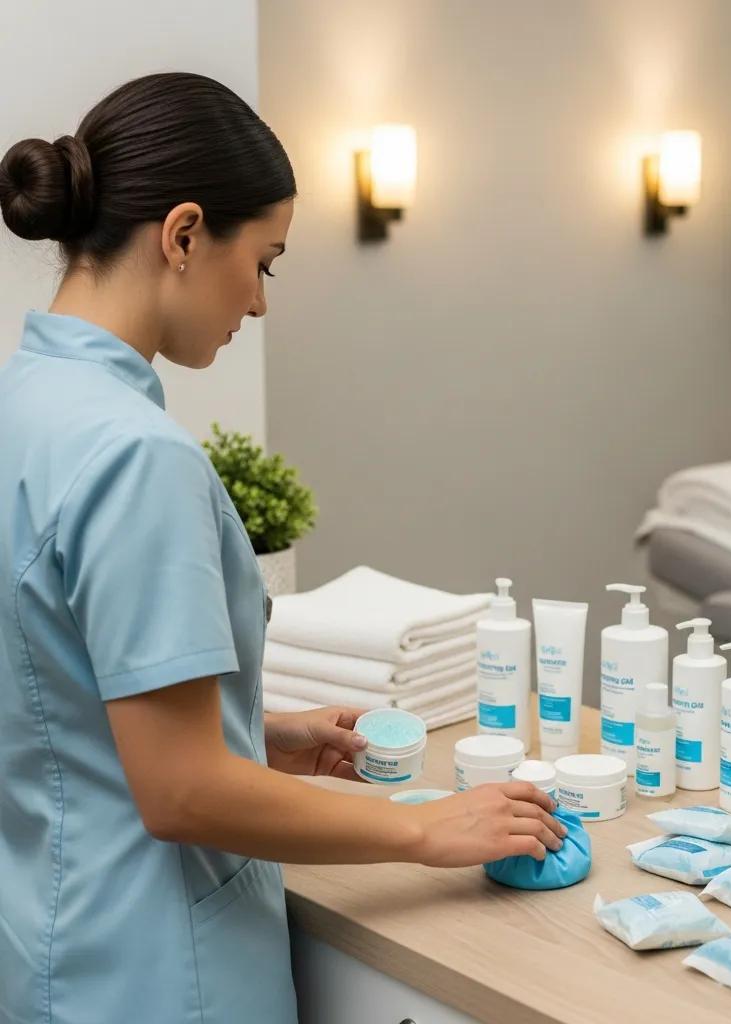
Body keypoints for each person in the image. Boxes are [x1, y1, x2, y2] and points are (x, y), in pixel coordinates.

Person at [0, 72, 564, 1024]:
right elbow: (180, 793)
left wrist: (253, 734)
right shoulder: (136, 457)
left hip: (52, 950)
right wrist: (425, 827)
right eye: (266, 261)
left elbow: (53, 704)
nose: (260, 305)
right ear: (183, 236)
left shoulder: (26, 406)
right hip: (160, 973)